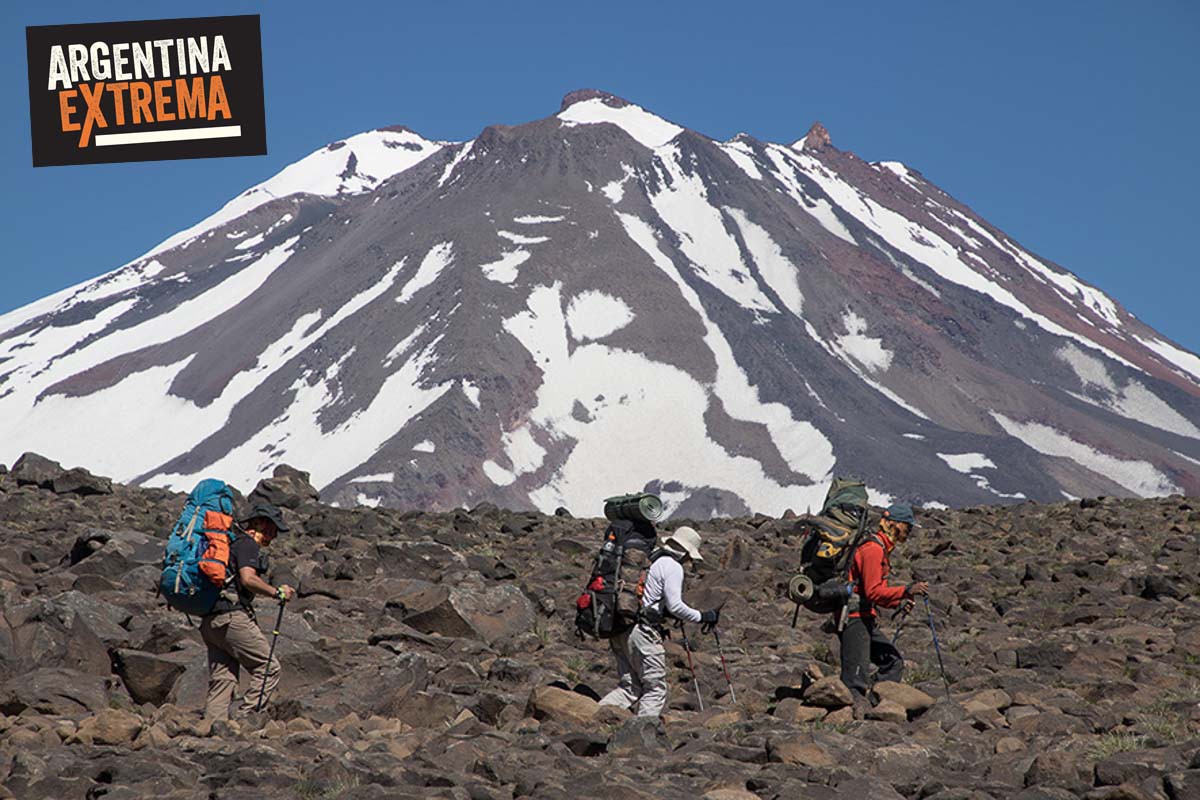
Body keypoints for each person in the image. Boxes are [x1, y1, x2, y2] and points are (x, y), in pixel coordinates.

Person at [598, 526, 721, 717]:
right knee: (655, 688)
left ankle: (594, 718)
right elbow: (676, 606)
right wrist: (703, 616)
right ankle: (641, 735)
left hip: (621, 626)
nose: (689, 561)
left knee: (630, 687)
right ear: (685, 552)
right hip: (642, 632)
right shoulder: (672, 566)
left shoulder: (651, 558)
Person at [199, 503, 295, 720]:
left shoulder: (232, 544)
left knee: (223, 678)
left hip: (210, 621)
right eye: (270, 528)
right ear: (258, 522)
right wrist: (276, 593)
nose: (273, 534)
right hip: (232, 617)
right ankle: (246, 719)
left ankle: (213, 730)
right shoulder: (247, 544)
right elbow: (248, 579)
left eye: (275, 530)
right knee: (268, 668)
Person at [838, 502, 928, 701]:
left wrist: (900, 600)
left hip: (864, 617)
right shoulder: (873, 549)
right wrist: (905, 590)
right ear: (894, 524)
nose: (909, 531)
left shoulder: (881, 548)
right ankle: (854, 715)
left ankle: (873, 705)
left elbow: (877, 592)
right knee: (854, 682)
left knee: (893, 662)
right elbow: (873, 592)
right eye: (907, 526)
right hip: (854, 618)